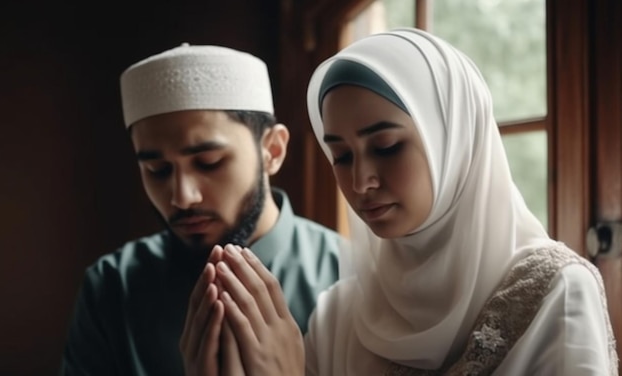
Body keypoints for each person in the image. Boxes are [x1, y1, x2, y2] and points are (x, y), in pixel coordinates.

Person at [209, 28, 619, 375]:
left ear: (453, 142)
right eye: (342, 156)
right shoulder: (339, 314)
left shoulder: (555, 292)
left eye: (386, 146)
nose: (361, 181)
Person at [59, 43, 341, 376]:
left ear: (272, 150)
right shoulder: (111, 288)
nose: (182, 197)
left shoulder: (353, 277)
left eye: (209, 163)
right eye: (158, 170)